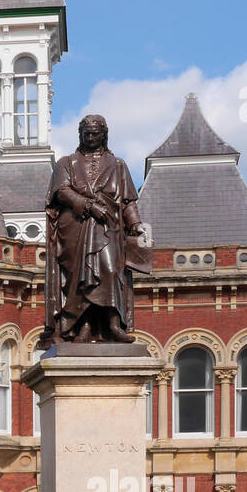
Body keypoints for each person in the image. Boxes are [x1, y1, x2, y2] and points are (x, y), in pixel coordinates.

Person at [41, 114, 153, 346]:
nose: (91, 137)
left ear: (104, 135)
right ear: (80, 135)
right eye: (87, 133)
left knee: (111, 271)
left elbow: (127, 201)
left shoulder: (118, 165)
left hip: (108, 228)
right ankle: (84, 326)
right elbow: (61, 191)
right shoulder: (66, 163)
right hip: (75, 228)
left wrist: (135, 225)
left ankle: (113, 324)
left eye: (96, 134)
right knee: (80, 280)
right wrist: (89, 206)